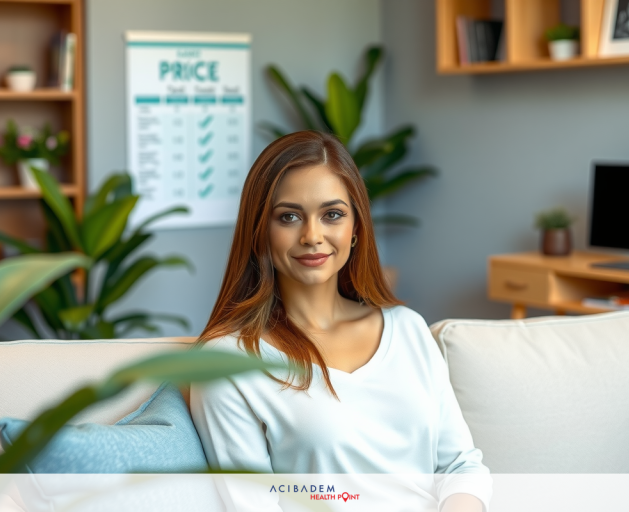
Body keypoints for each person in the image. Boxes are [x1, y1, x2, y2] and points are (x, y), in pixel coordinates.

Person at [189, 131, 491, 511]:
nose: (312, 236)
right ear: (259, 233)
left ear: (356, 230)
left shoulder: (408, 328)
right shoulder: (226, 363)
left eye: (332, 214)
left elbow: (460, 465)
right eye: (289, 217)